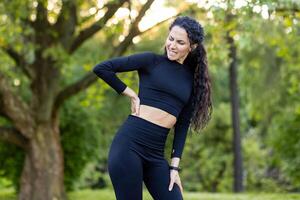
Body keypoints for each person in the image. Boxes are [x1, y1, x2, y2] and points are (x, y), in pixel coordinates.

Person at [93, 16, 212, 200]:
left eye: (180, 42)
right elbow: (102, 68)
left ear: (192, 46)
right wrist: (129, 92)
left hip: (156, 154)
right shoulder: (151, 61)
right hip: (128, 147)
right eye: (171, 39)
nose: (172, 45)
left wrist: (174, 168)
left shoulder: (192, 81)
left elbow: (182, 125)